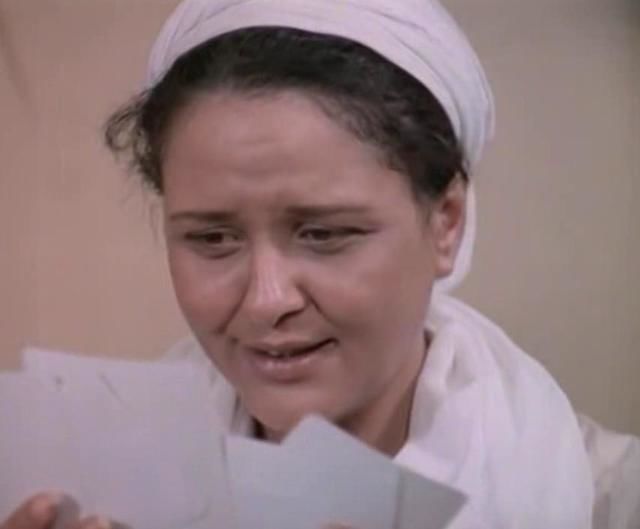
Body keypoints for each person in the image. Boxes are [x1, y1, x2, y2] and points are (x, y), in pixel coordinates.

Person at [2, 1, 638, 528]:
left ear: (446, 223)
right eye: (213, 238)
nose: (265, 301)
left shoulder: (603, 498)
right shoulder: (84, 488)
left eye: (325, 234)